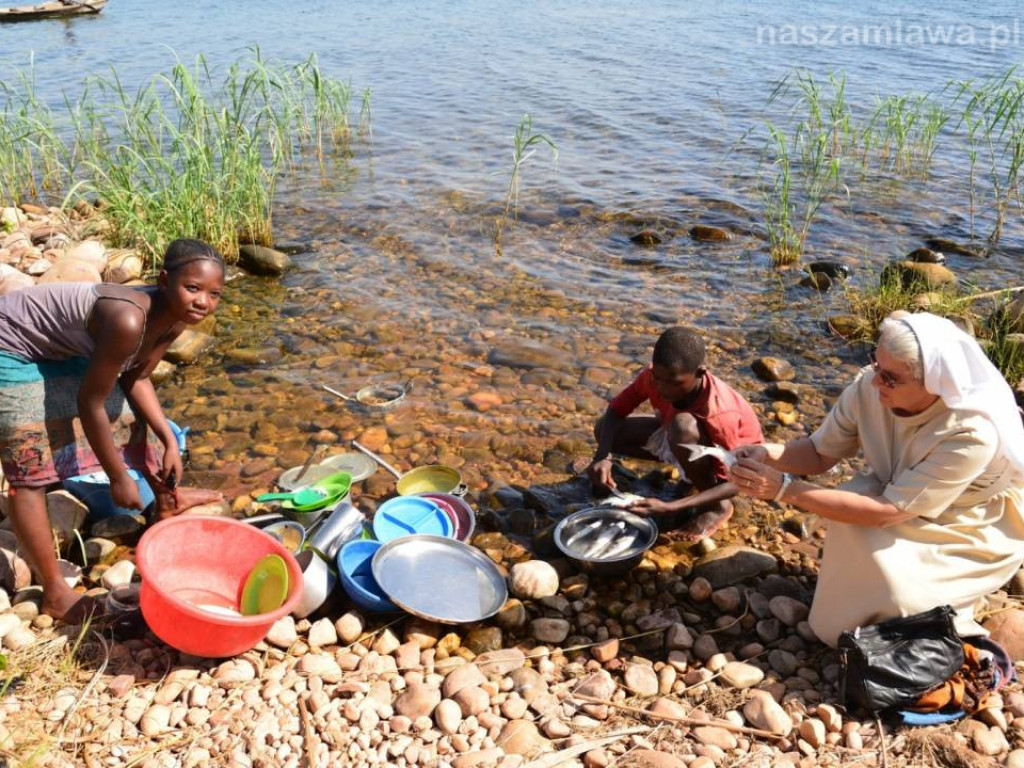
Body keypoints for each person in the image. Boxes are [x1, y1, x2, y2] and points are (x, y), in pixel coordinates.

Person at [729, 311, 1024, 647]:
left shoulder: (971, 432)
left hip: (968, 521)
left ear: (933, 382)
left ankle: (945, 607)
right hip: (898, 494)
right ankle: (855, 616)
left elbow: (886, 512)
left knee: (900, 591)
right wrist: (766, 453)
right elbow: (819, 453)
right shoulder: (870, 388)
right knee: (849, 505)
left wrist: (784, 489)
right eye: (876, 364)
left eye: (891, 377)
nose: (875, 382)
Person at [0, 238, 226, 621]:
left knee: (134, 416)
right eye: (193, 288)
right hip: (11, 343)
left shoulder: (172, 317)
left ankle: (167, 504)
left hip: (57, 347)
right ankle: (55, 592)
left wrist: (168, 438)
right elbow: (90, 404)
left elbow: (136, 377)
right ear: (164, 279)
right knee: (29, 463)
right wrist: (118, 475)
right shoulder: (128, 319)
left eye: (214, 293)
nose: (203, 301)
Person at [586, 326, 764, 540]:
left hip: (728, 463)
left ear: (700, 374)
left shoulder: (719, 414)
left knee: (683, 427)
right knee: (603, 428)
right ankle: (688, 473)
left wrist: (672, 507)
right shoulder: (655, 377)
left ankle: (718, 507)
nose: (662, 388)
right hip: (679, 436)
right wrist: (603, 456)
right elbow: (616, 410)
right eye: (657, 378)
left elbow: (738, 482)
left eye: (674, 383)